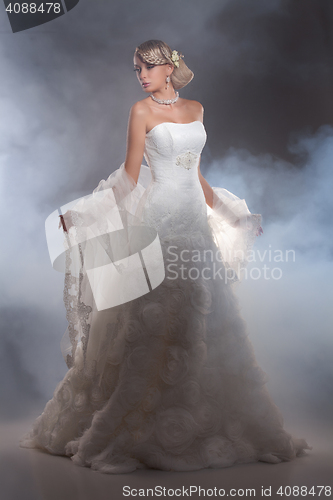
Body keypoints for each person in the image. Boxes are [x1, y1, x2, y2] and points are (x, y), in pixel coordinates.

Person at [19, 39, 309, 474]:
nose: (140, 75)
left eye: (146, 68)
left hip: (193, 222)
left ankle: (200, 413)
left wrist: (234, 214)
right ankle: (133, 422)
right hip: (159, 222)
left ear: (167, 68)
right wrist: (80, 212)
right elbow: (128, 179)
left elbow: (196, 175)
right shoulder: (141, 111)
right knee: (149, 320)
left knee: (205, 314)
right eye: (136, 69)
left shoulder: (196, 109)